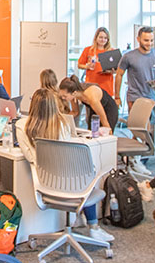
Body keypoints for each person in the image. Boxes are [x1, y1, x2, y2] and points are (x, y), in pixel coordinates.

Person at [15, 89, 113, 243]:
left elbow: (30, 157)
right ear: (54, 106)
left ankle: (81, 219)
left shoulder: (21, 126)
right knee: (88, 172)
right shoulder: (62, 124)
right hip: (69, 186)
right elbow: (66, 154)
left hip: (45, 186)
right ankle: (93, 227)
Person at [115, 26, 155, 121]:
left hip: (151, 97)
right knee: (137, 126)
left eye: (152, 40)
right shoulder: (128, 56)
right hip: (134, 97)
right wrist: (117, 97)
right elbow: (119, 75)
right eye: (146, 40)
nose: (149, 43)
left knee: (151, 127)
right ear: (138, 39)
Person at [78, 27, 116, 97]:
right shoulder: (88, 50)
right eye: (100, 37)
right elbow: (79, 65)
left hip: (107, 85)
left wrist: (113, 71)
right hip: (91, 84)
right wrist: (87, 66)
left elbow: (116, 68)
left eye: (105, 38)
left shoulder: (111, 51)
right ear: (96, 38)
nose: (103, 40)